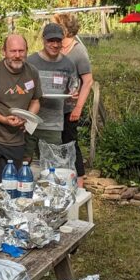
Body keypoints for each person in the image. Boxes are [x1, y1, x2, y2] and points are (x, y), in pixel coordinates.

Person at [0, 34, 43, 180]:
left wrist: (27, 118)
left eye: (21, 51)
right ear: (4, 51)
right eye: (13, 51)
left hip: (16, 140)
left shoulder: (32, 72)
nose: (17, 55)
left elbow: (36, 101)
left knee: (10, 186)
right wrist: (3, 119)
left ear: (27, 51)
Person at [23, 23, 76, 163]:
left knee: (51, 163)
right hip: (30, 122)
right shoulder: (31, 62)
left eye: (58, 41)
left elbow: (72, 89)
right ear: (43, 40)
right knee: (24, 160)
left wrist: (73, 96)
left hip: (53, 125)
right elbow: (21, 88)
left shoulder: (68, 64)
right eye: (51, 41)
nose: (55, 45)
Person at [52, 12, 94, 183]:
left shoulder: (78, 52)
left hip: (69, 108)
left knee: (70, 143)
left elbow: (88, 81)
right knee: (57, 144)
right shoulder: (56, 47)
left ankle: (80, 183)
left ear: (64, 29)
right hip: (53, 107)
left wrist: (78, 108)